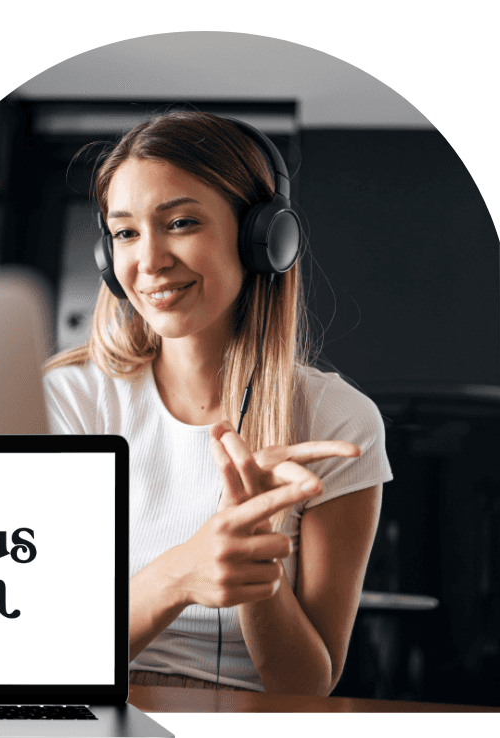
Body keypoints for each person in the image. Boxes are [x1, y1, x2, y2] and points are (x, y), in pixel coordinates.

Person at [43, 111, 392, 695]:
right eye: (125, 233)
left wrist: (253, 562)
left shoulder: (338, 420)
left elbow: (307, 686)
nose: (149, 260)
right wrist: (185, 571)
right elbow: (44, 653)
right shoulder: (69, 400)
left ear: (263, 238)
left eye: (180, 222)